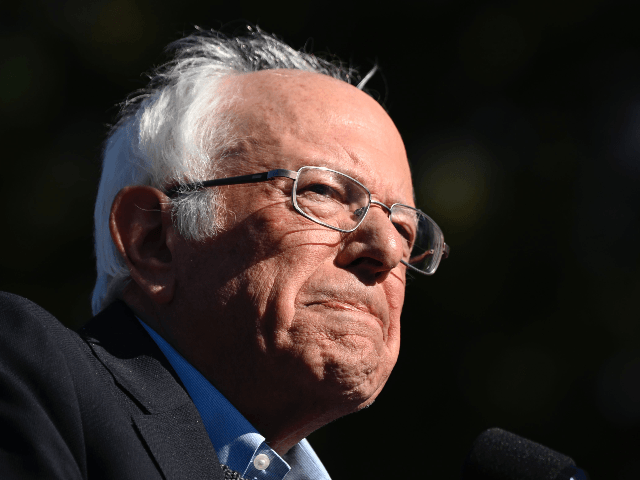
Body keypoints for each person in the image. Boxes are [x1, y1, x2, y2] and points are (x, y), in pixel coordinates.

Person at [0, 27, 448, 479]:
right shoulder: (29, 380)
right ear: (153, 240)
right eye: (324, 192)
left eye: (405, 228)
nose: (388, 249)